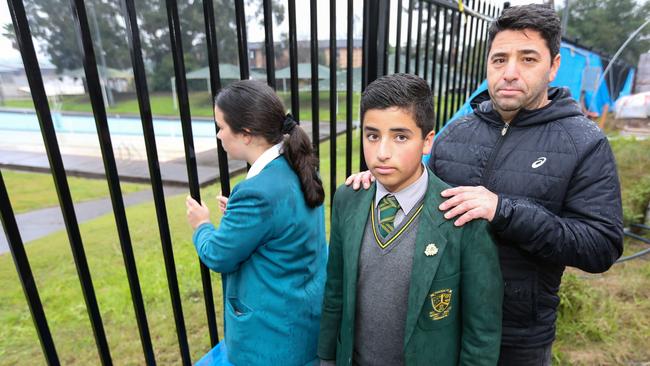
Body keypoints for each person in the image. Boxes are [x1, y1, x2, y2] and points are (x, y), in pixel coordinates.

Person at [346, 5, 624, 365]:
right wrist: (383, 180)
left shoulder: (584, 143)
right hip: (444, 321)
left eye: (527, 59)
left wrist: (504, 212)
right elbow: (424, 194)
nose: (509, 73)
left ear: (553, 66)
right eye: (499, 60)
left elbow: (601, 246)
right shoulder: (457, 133)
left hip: (518, 337)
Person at [318, 73, 503, 366]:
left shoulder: (461, 217)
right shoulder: (349, 199)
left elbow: (482, 330)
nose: (382, 153)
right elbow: (335, 291)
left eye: (400, 136)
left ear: (427, 141)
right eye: (372, 135)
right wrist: (326, 358)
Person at [186, 80, 327, 365]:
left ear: (246, 134)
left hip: (271, 337)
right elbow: (284, 226)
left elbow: (218, 255)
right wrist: (240, 217)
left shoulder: (257, 191)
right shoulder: (296, 167)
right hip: (302, 320)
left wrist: (202, 225)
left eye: (222, 126)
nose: (218, 135)